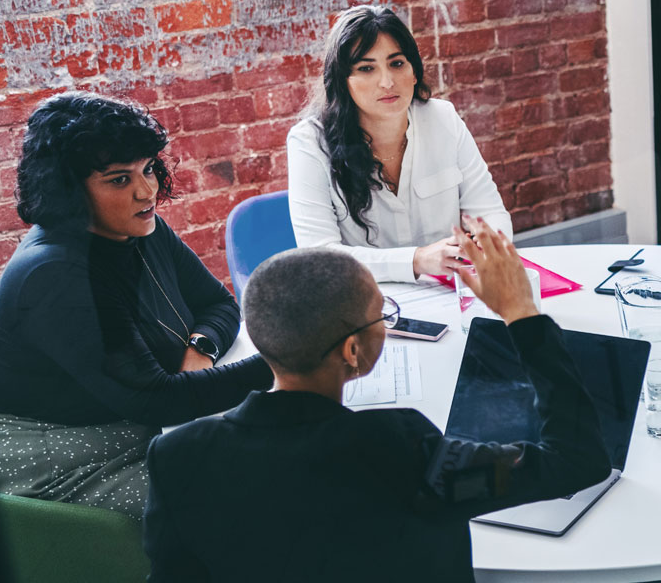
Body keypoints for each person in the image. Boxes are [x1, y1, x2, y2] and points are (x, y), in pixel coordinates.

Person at [142, 220, 611, 581]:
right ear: (352, 350)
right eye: (381, 316)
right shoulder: (405, 449)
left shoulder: (178, 455)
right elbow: (578, 460)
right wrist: (522, 314)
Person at [0, 92, 272, 521]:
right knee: (249, 485)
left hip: (140, 420)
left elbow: (218, 303)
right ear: (68, 190)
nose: (147, 191)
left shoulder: (140, 227)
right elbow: (157, 401)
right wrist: (287, 361)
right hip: (55, 464)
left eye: (147, 169)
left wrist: (198, 353)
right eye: (118, 180)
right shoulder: (55, 274)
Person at [288, 5, 512, 283]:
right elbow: (319, 259)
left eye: (396, 63)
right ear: (343, 82)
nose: (387, 82)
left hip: (450, 290)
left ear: (414, 72)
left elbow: (490, 212)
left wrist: (484, 243)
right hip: (366, 304)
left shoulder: (443, 118)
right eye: (366, 68)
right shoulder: (309, 143)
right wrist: (416, 261)